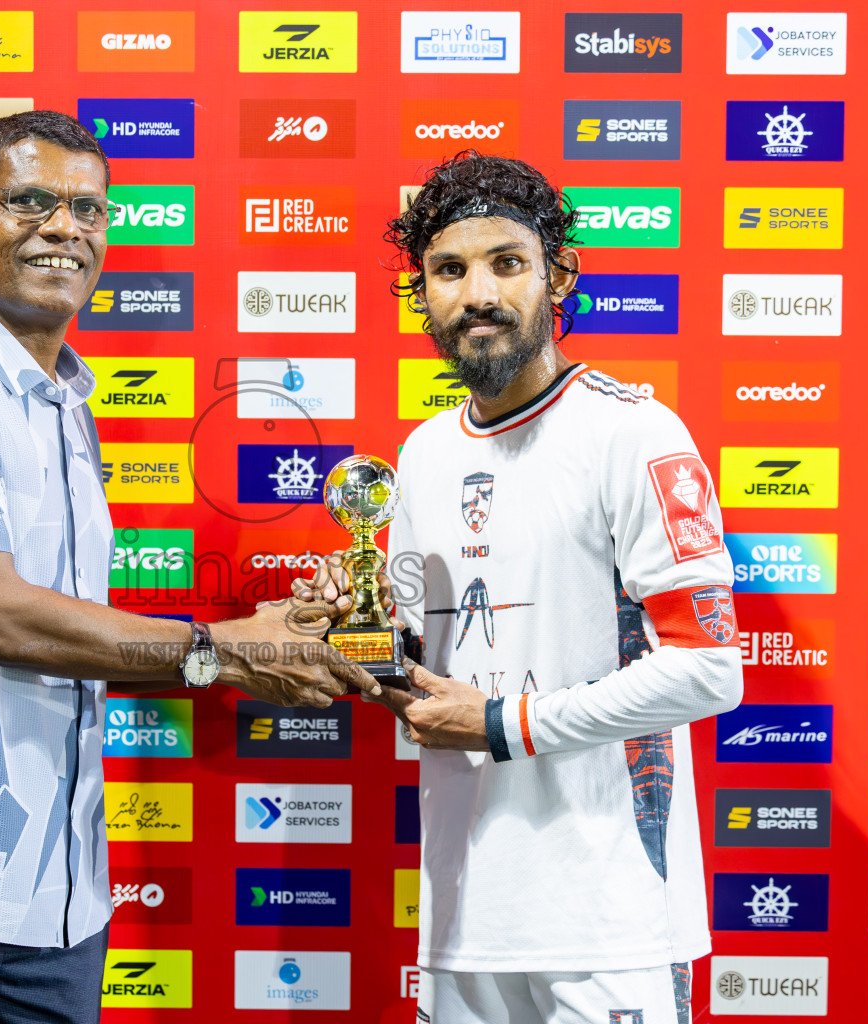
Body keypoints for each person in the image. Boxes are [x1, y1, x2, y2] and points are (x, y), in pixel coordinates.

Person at [0, 110, 378, 1024]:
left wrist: (277, 635)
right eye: (30, 201)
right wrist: (222, 650)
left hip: (59, 890)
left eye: (88, 209)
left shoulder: (70, 405)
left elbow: (70, 628)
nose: (65, 228)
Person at [299, 152, 744, 1024]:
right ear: (421, 293)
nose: (478, 295)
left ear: (558, 274)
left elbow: (707, 670)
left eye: (507, 263)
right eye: (449, 270)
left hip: (611, 924)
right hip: (465, 919)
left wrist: (503, 724)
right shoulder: (424, 454)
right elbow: (429, 672)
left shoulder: (634, 433)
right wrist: (362, 632)